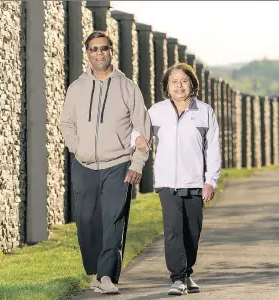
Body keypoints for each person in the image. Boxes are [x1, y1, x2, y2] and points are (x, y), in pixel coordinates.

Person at [60, 31, 151, 294]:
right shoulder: (76, 88)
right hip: (84, 165)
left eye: (103, 48)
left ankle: (106, 275)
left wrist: (137, 163)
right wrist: (78, 149)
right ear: (87, 53)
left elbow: (142, 129)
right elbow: (67, 123)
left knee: (113, 220)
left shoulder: (128, 87)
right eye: (93, 49)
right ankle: (95, 272)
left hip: (118, 164)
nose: (99, 53)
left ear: (111, 51)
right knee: (87, 221)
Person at [132, 63, 221, 295]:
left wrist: (210, 180)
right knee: (173, 230)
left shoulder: (205, 112)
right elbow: (137, 131)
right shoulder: (156, 111)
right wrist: (138, 140)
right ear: (167, 87)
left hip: (194, 183)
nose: (179, 86)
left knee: (192, 231)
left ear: (192, 84)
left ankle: (187, 273)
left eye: (183, 81)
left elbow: (212, 149)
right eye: (174, 82)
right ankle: (178, 277)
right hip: (166, 183)